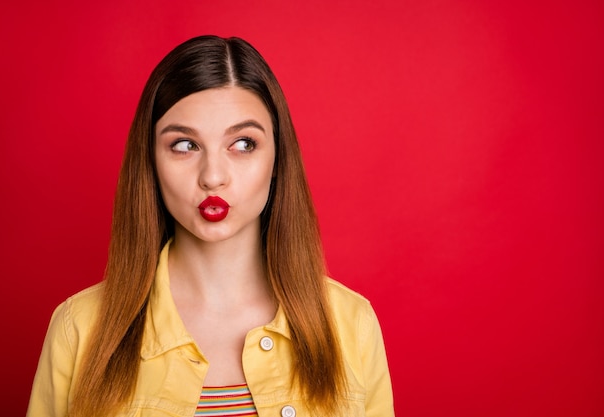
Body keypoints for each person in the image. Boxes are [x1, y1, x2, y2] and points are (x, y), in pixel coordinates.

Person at [27, 35, 394, 417]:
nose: (213, 177)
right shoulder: (79, 329)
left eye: (243, 144)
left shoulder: (352, 325)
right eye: (185, 145)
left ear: (277, 158)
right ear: (150, 160)